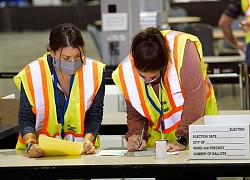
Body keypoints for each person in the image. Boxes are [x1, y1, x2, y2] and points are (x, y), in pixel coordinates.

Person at [112, 27, 218, 153]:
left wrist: (183, 139)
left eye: (153, 77)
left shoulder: (183, 49)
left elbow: (195, 95)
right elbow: (135, 106)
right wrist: (136, 134)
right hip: (160, 136)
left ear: (165, 65)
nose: (146, 81)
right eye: (142, 76)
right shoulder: (127, 70)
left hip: (197, 125)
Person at [13, 23, 106, 158]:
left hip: (80, 155)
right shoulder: (32, 74)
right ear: (51, 52)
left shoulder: (94, 72)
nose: (73, 62)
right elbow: (26, 118)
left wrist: (88, 141)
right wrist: (30, 144)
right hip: (41, 155)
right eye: (66, 58)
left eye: (78, 56)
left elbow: (95, 116)